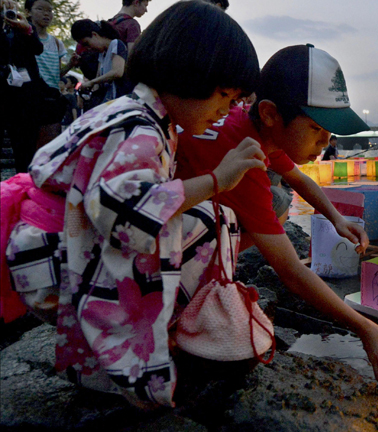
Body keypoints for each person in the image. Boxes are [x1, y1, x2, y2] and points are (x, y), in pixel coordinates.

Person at [3, 1, 262, 407]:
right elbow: (123, 214)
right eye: (225, 98)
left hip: (50, 245)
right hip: (53, 257)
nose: (225, 112)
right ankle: (134, 360)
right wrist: (217, 180)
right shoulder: (139, 126)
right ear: (189, 74)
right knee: (212, 223)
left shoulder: (137, 114)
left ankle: (146, 342)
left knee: (204, 219)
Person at [174, 44, 378, 389]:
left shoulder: (253, 128)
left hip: (168, 217)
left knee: (279, 200)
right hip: (153, 236)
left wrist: (336, 218)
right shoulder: (243, 158)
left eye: (329, 132)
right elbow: (292, 272)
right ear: (269, 113)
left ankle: (212, 270)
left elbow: (298, 177)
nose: (325, 141)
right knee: (266, 206)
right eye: (315, 129)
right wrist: (365, 326)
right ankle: (185, 305)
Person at [1, 0, 44, 173]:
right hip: (3, 92)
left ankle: (23, 184)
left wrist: (26, 30)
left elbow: (38, 49)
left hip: (24, 95)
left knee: (25, 146)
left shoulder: (25, 28)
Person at [25, 0, 71, 147]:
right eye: (40, 9)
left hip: (50, 99)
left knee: (48, 145)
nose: (46, 14)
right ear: (28, 12)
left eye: (50, 10)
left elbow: (58, 74)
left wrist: (71, 65)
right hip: (28, 97)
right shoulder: (22, 39)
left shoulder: (57, 43)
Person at [71, 19, 131, 102]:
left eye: (87, 43)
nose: (88, 48)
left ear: (94, 35)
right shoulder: (102, 54)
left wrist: (91, 82)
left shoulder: (116, 44)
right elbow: (99, 78)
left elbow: (117, 72)